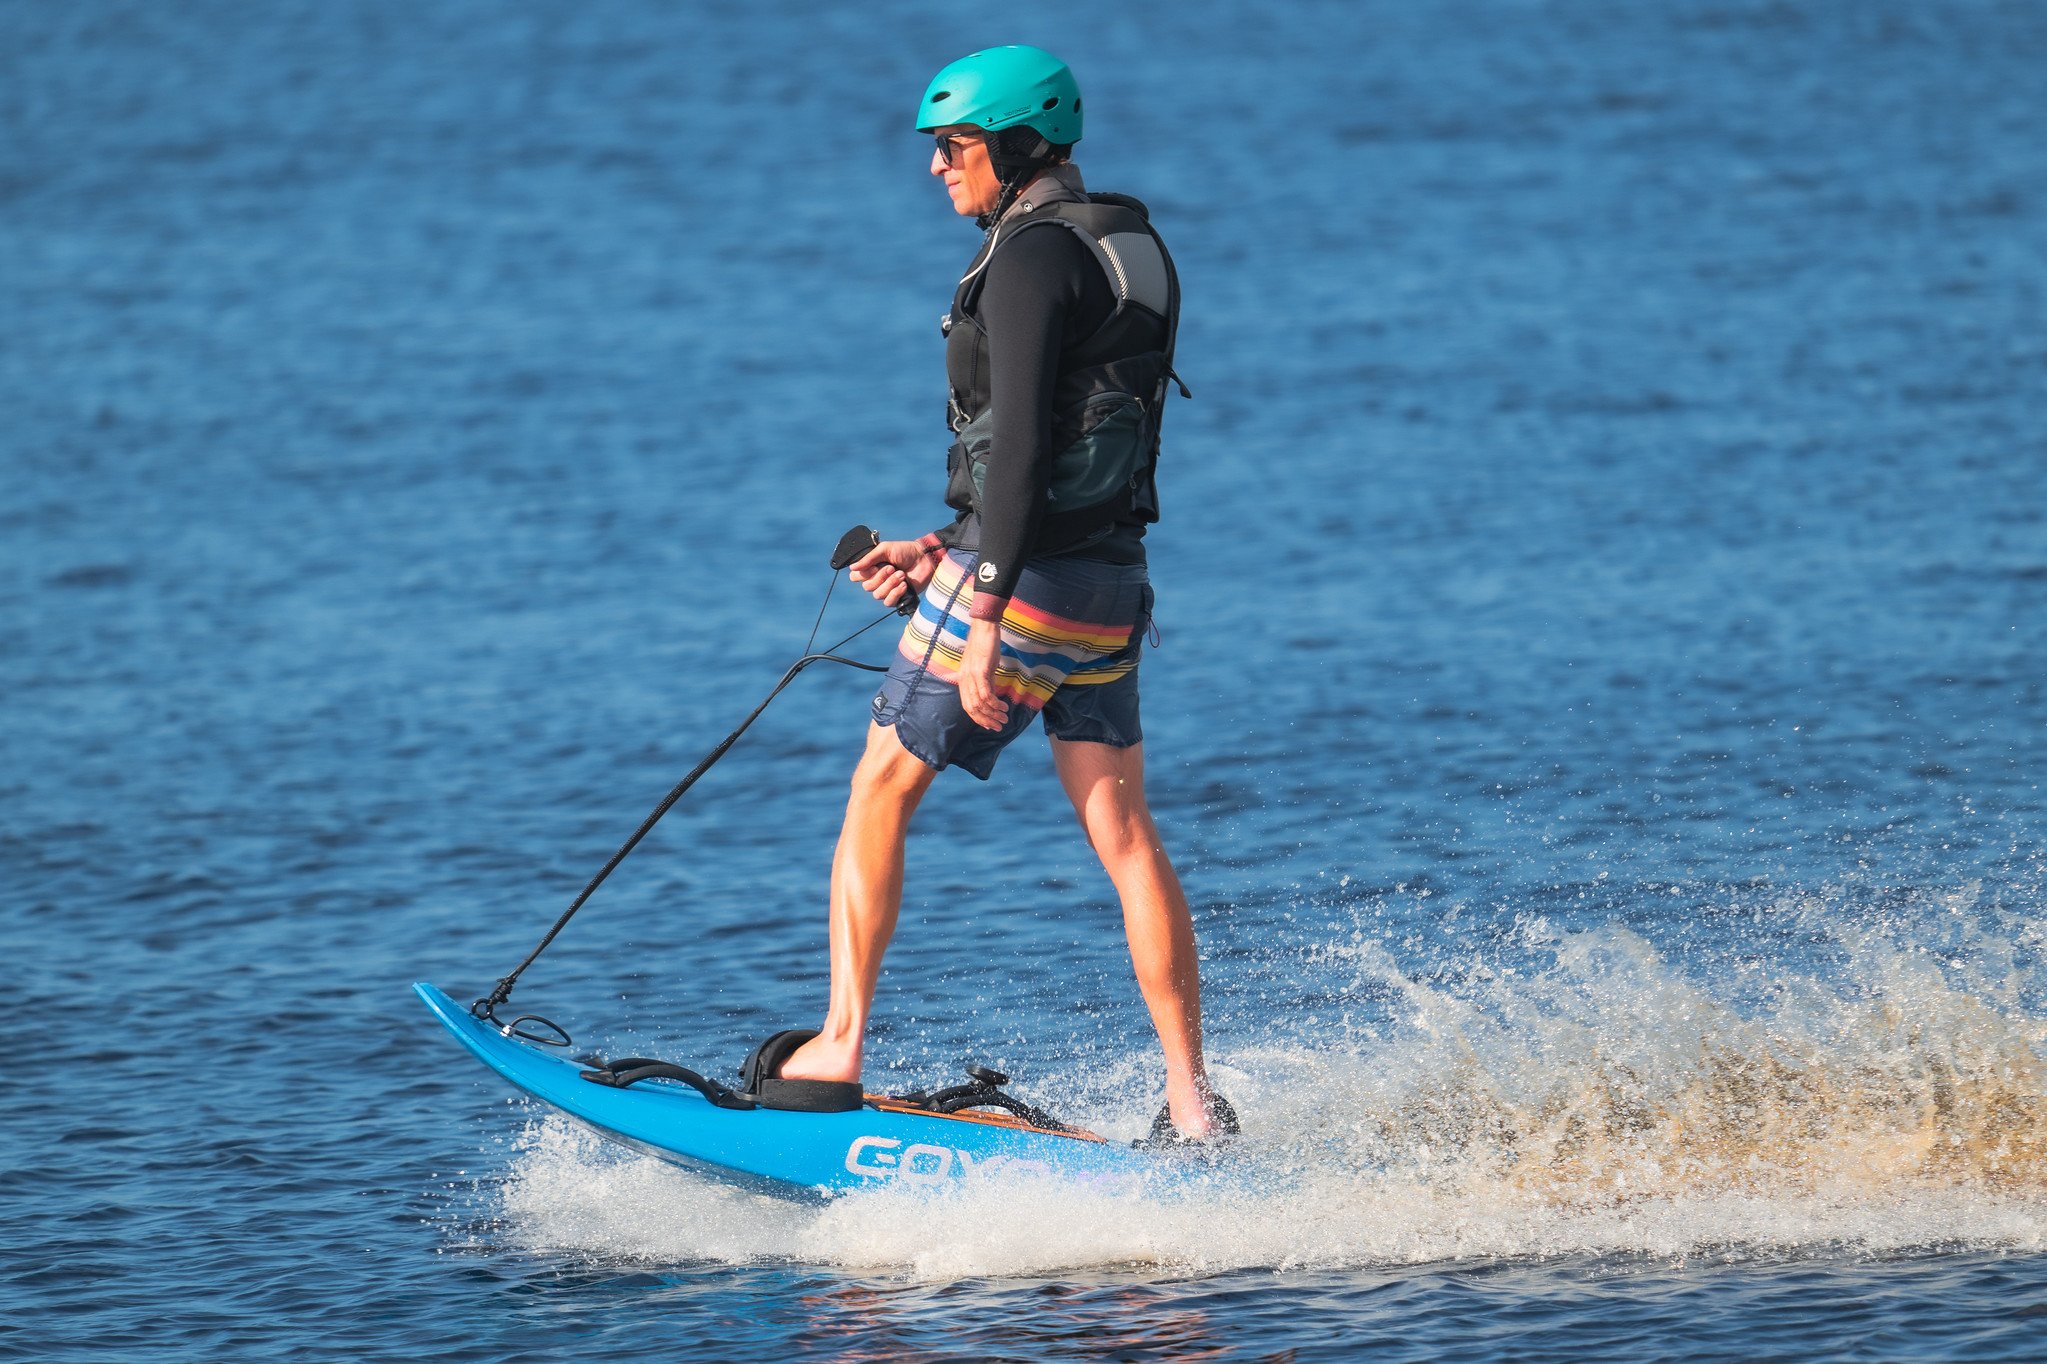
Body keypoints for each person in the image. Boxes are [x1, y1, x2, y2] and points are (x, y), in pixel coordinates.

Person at [762, 45, 1234, 1142]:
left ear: (1019, 147)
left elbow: (1020, 448)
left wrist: (979, 609)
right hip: (1110, 588)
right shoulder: (1129, 241)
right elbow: (1074, 451)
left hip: (1017, 594)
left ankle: (835, 1047)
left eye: (956, 146)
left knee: (879, 785)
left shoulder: (1026, 257)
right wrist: (948, 544)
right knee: (1124, 833)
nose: (937, 168)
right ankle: (1190, 1099)